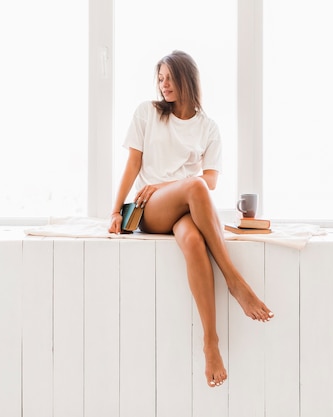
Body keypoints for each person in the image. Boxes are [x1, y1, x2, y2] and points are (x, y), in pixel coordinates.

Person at [109, 50, 274, 388]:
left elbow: (210, 181)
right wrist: (115, 210)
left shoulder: (208, 128)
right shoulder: (148, 114)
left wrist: (171, 184)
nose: (163, 84)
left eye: (169, 77)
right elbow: (133, 166)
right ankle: (235, 281)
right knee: (195, 186)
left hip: (186, 208)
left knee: (194, 242)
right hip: (151, 208)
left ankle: (210, 343)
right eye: (160, 78)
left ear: (187, 80)